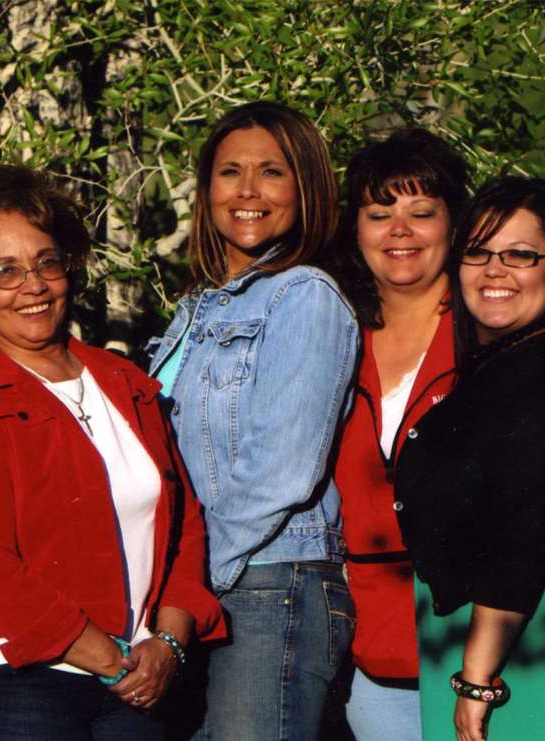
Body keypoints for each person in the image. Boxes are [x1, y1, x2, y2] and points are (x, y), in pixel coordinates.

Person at [322, 129, 545, 741]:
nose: (399, 231)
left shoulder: (505, 318)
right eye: (379, 215)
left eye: (422, 213)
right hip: (379, 645)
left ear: (453, 226)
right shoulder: (329, 335)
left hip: (513, 635)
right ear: (355, 230)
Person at [0, 164, 225, 740]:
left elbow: (182, 523)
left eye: (46, 263)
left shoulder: (125, 381)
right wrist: (112, 660)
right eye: (4, 271)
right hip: (17, 689)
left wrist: (167, 643)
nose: (32, 286)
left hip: (137, 678)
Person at [145, 101, 359, 741]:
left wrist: (188, 586)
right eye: (229, 171)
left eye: (272, 172)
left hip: (271, 586)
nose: (246, 192)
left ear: (306, 188)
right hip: (203, 590)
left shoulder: (306, 296)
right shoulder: (192, 310)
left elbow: (282, 473)